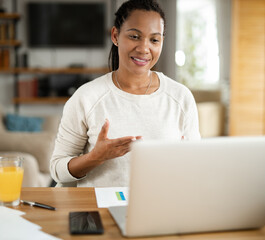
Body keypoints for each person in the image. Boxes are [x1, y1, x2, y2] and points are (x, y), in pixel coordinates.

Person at [50, 0, 201, 187]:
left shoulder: (180, 97)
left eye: (154, 40)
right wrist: (96, 157)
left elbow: (194, 167)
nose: (144, 48)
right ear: (115, 36)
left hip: (160, 208)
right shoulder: (86, 97)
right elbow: (57, 170)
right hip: (98, 211)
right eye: (135, 36)